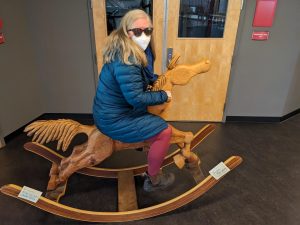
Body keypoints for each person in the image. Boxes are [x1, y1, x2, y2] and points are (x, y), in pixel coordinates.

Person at [93, 9, 175, 192]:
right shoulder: (127, 59)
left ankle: (150, 159)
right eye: (137, 31)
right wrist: (164, 95)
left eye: (148, 31)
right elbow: (136, 97)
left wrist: (157, 79)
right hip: (115, 118)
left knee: (156, 122)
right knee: (164, 132)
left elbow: (140, 78)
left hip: (115, 111)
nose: (144, 35)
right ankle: (154, 179)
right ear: (126, 31)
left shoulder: (132, 51)